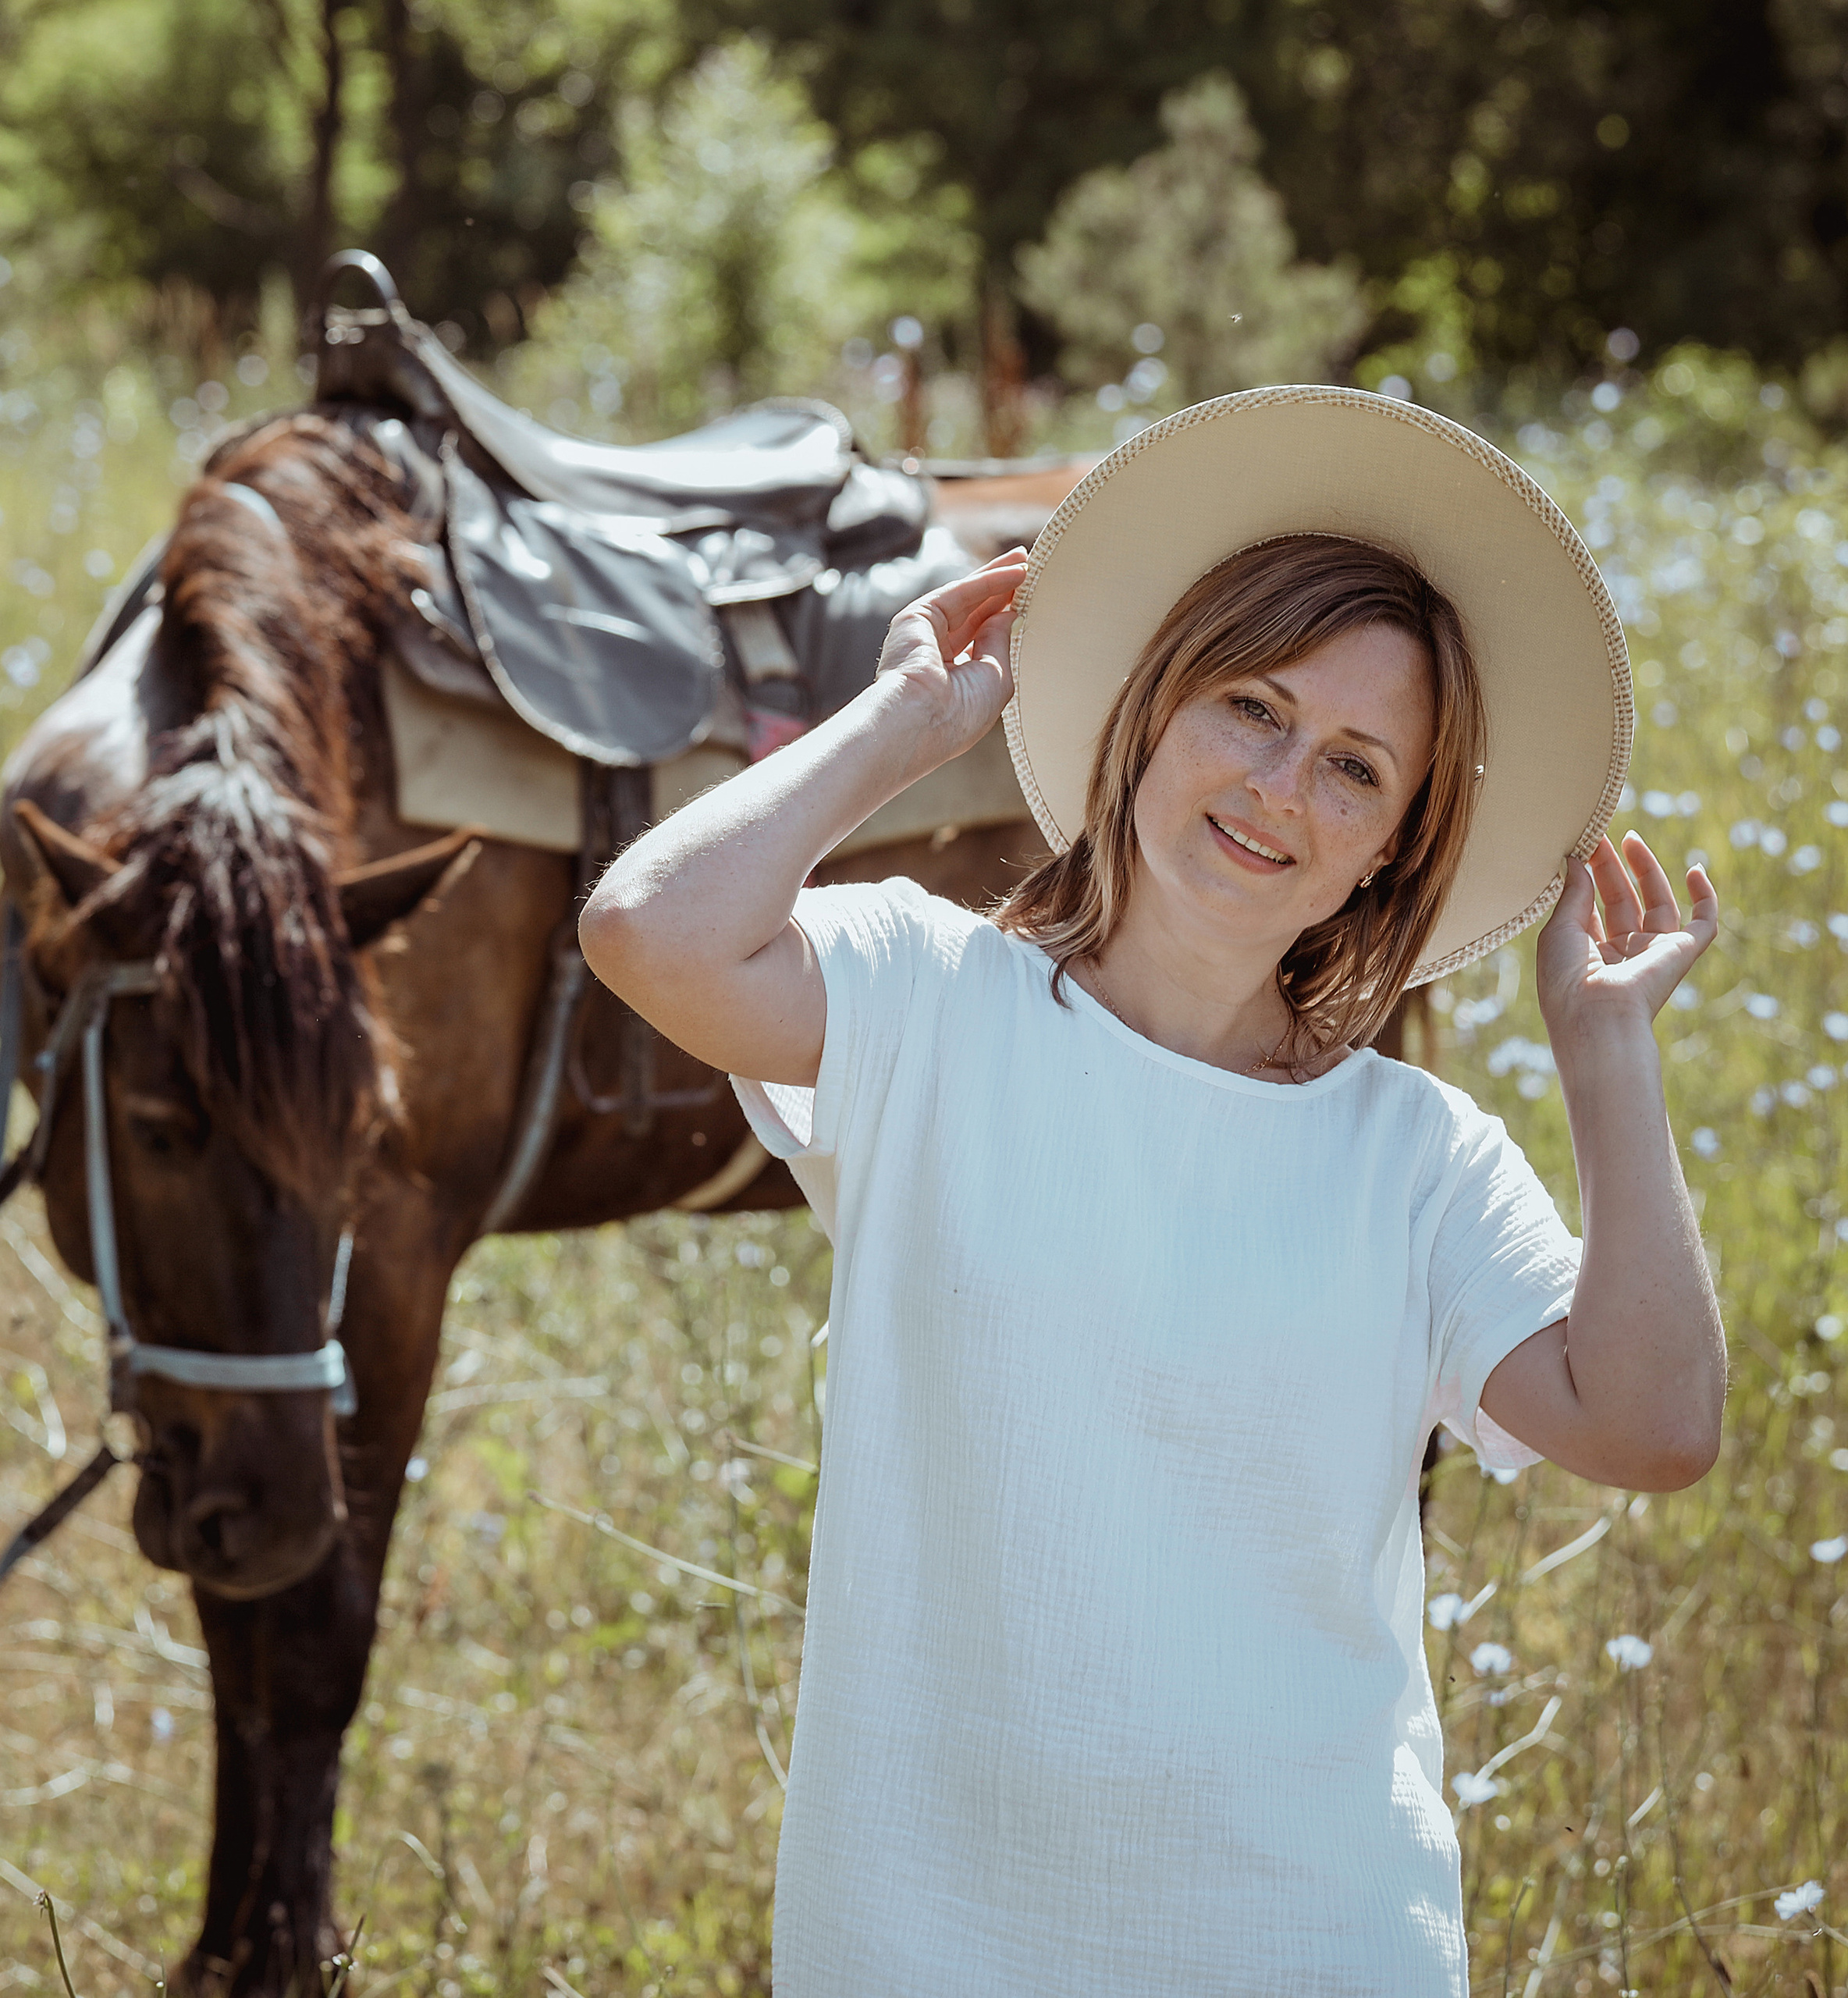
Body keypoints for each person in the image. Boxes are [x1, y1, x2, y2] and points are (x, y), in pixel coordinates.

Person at [579, 387, 1725, 1996]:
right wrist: (906, 719)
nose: (1277, 787)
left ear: (1388, 853)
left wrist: (1603, 1053)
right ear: (1150, 708)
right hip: (920, 1938)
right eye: (1246, 706)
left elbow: (1650, 1422)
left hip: (1309, 1937)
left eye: (1352, 768)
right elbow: (646, 931)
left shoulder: (1416, 1156)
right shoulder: (924, 1001)